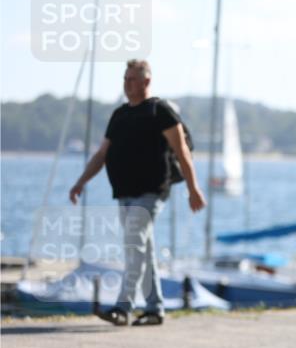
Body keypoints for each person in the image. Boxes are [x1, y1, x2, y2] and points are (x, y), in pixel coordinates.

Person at [69, 59, 206, 326]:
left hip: (151, 192)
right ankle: (155, 309)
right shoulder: (120, 115)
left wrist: (193, 188)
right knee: (142, 251)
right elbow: (101, 155)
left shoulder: (160, 111)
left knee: (134, 246)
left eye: (133, 79)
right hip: (124, 193)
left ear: (146, 82)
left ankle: (123, 308)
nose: (128, 84)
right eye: (125, 78)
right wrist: (80, 182)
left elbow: (182, 153)